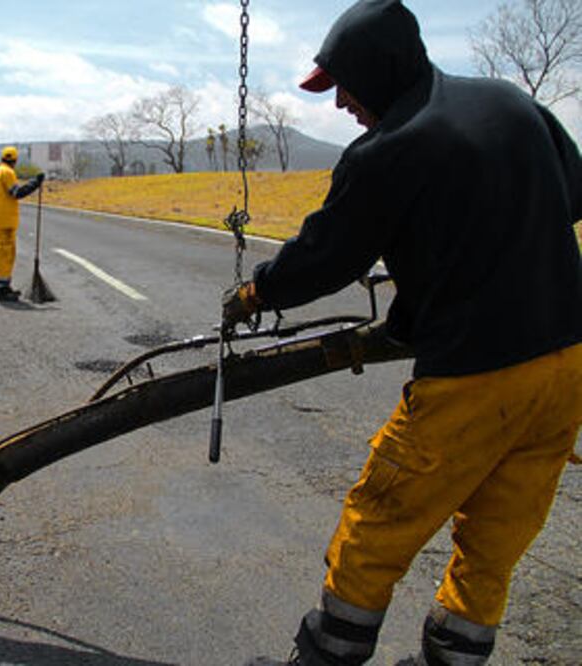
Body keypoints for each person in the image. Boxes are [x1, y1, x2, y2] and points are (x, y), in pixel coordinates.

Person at [221, 1, 582, 664]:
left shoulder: (388, 149)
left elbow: (326, 258)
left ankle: (328, 653)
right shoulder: (509, 103)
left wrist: (254, 291)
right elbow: (574, 192)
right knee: (497, 531)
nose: (340, 106)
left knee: (378, 522)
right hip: (565, 366)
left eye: (344, 87)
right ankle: (455, 656)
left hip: (474, 377)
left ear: (377, 70)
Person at [0, 146, 44, 301]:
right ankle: (2, 290)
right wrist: (35, 183)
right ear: (15, 160)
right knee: (6, 255)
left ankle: (3, 286)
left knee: (3, 254)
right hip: (6, 222)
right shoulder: (7, 173)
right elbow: (17, 193)